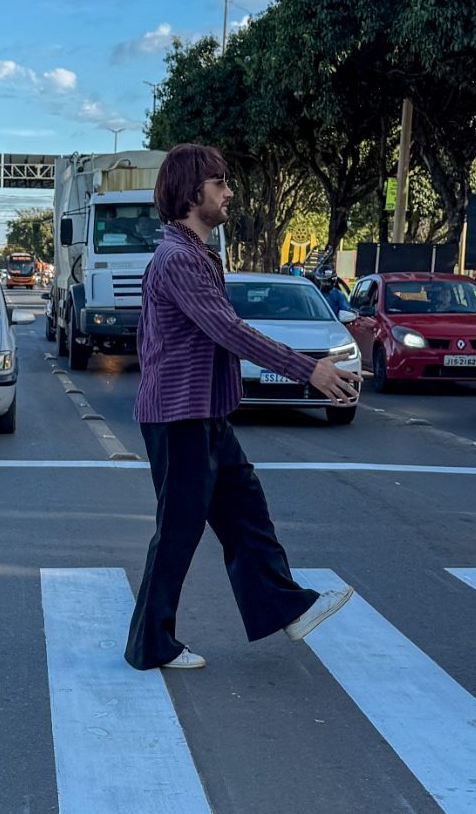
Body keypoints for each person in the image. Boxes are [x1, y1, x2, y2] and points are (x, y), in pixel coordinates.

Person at [127, 144, 362, 671]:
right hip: (179, 415)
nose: (229, 192)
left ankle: (286, 607)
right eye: (218, 183)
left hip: (201, 411)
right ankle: (149, 645)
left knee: (246, 513)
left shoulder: (194, 254)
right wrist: (311, 369)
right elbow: (228, 331)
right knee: (180, 530)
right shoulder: (179, 259)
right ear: (192, 193)